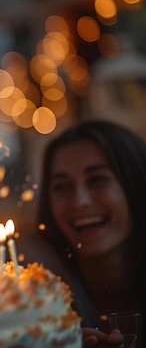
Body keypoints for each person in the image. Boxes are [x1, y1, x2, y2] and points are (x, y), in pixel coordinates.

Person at [34, 120, 146, 347]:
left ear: (136, 183)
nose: (80, 201)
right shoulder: (35, 298)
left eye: (97, 180)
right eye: (61, 186)